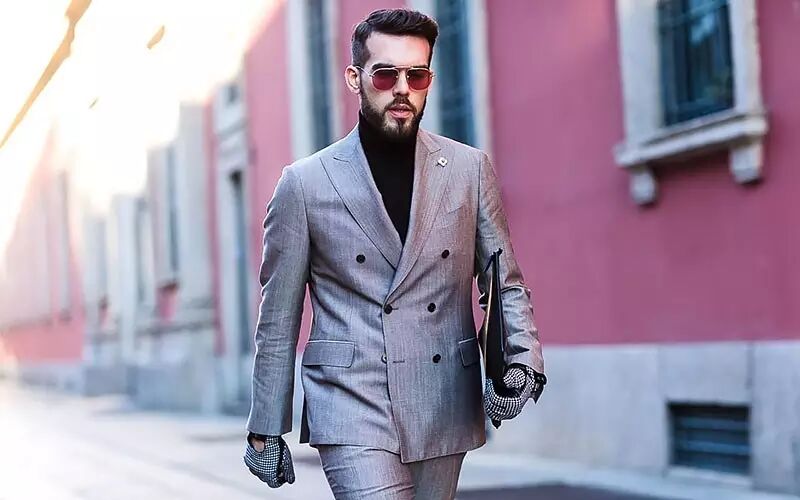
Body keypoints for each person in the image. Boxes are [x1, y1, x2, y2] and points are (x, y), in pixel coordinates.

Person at [242, 8, 546, 499]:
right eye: (386, 75)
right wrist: (265, 425)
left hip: (442, 392)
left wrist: (521, 360)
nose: (402, 88)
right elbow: (278, 315)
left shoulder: (469, 169)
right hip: (350, 399)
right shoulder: (304, 183)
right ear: (355, 78)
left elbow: (503, 279)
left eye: (416, 75)